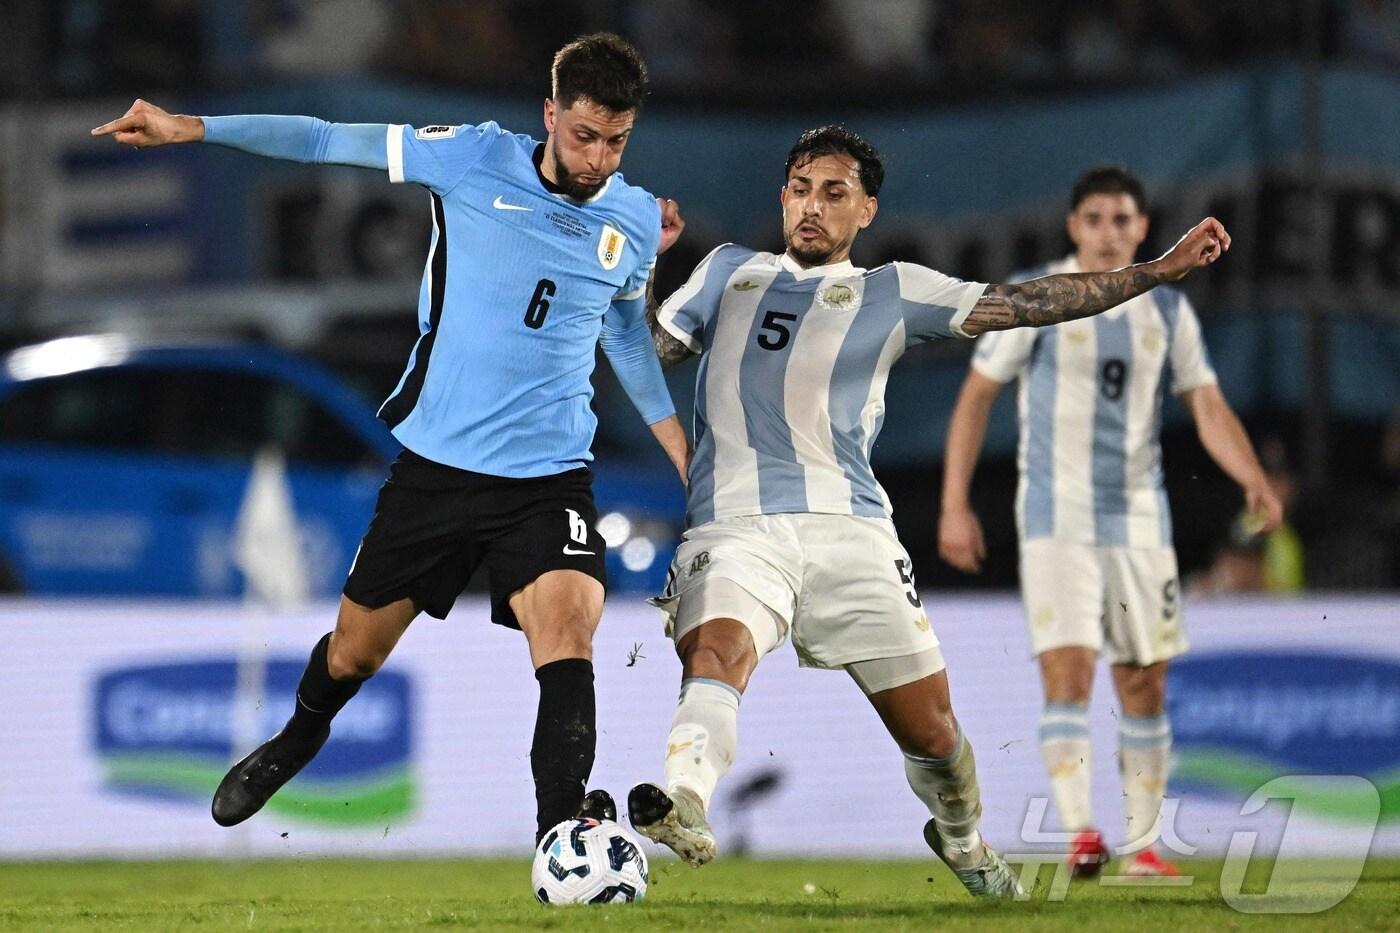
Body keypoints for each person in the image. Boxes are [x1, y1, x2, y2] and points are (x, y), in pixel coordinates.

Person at [92, 33, 690, 844]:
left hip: (550, 478)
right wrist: (191, 127)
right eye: (584, 136)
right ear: (550, 115)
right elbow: (323, 139)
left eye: (616, 141)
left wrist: (680, 449)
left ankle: (559, 840)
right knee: (353, 654)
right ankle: (299, 735)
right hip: (438, 468)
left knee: (568, 636)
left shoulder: (634, 216)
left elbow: (624, 335)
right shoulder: (473, 158)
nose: (598, 159)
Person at [627, 128, 1231, 899]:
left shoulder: (895, 290)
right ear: (783, 196)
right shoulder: (725, 272)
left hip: (853, 536)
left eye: (834, 193)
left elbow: (1025, 305)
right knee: (715, 652)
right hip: (736, 527)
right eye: (801, 189)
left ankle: (962, 837)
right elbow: (649, 351)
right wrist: (643, 268)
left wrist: (1158, 271)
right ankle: (686, 796)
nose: (812, 206)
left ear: (867, 209)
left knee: (935, 733)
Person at [938, 166, 1280, 877]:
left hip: (1140, 523)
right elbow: (977, 395)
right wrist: (953, 503)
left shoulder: (1166, 312)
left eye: (1121, 219)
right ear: (1073, 227)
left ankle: (1143, 845)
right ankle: (1080, 833)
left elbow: (1206, 403)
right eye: (1093, 219)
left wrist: (1251, 475)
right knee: (1068, 670)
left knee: (1143, 682)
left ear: (1142, 228)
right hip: (1054, 518)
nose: (1106, 232)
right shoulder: (1040, 297)